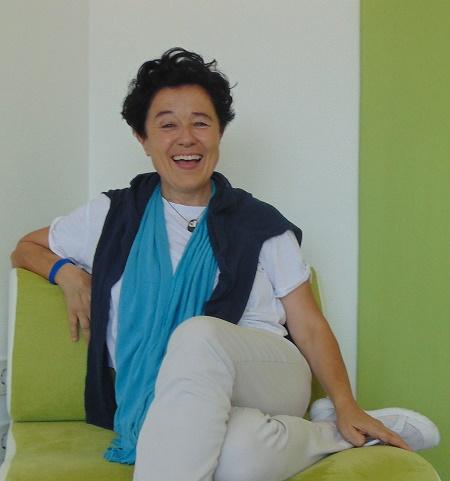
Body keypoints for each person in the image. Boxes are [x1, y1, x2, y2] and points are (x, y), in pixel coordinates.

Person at [10, 48, 439, 481]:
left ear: (219, 133)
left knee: (197, 335)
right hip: (180, 398)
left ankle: (335, 418)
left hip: (269, 374)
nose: (186, 138)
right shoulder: (112, 216)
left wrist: (347, 403)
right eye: (167, 125)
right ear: (143, 139)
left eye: (201, 122)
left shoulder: (259, 223)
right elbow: (25, 248)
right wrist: (66, 273)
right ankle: (331, 435)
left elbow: (308, 324)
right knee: (238, 457)